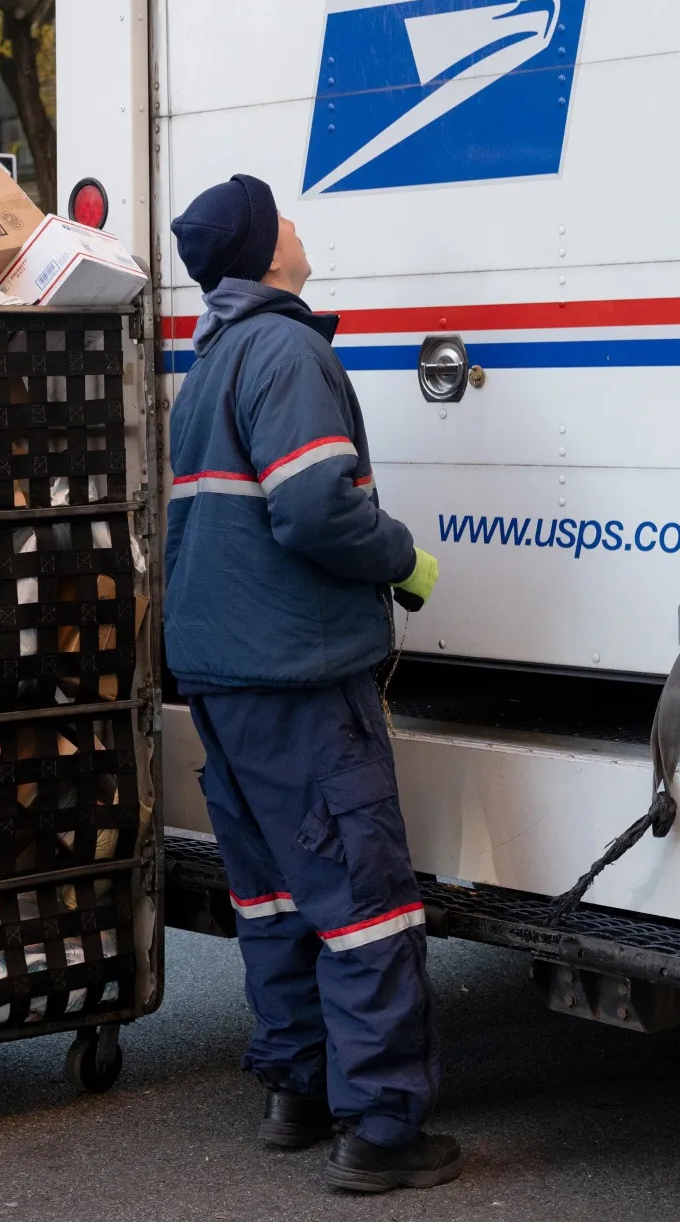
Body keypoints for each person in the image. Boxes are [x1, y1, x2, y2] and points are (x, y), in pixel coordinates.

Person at [163, 174, 454, 1194]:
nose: (298, 223)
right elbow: (315, 511)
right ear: (261, 249)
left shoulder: (209, 363)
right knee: (362, 896)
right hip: (292, 669)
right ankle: (379, 1128)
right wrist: (402, 560)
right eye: (281, 212)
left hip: (220, 668)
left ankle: (297, 1087)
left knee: (274, 892)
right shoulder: (285, 349)